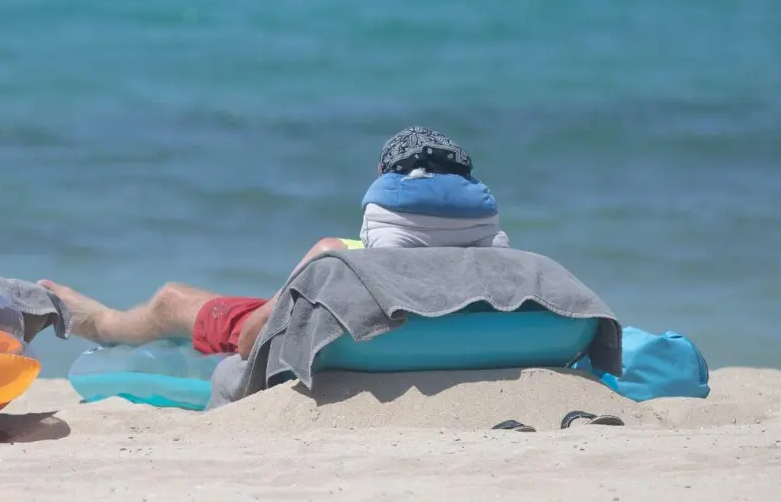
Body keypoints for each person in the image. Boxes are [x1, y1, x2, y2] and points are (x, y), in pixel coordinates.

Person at [40, 126, 504, 360]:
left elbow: (249, 342)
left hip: (336, 325)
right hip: (431, 325)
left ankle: (101, 323)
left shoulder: (337, 257)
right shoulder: (502, 263)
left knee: (171, 300)